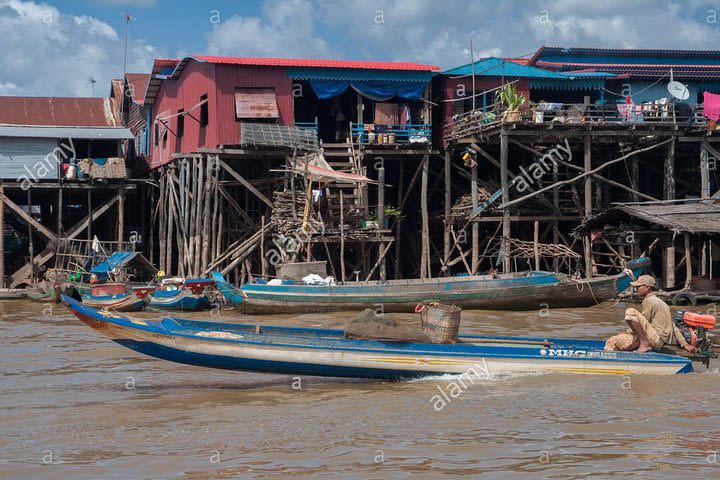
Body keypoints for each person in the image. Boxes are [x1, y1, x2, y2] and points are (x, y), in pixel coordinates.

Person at [605, 274, 697, 353]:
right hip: (658, 340)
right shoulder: (660, 302)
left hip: (654, 339)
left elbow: (643, 321)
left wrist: (626, 332)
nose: (636, 289)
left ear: (647, 288)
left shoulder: (650, 301)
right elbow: (672, 325)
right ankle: (642, 343)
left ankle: (644, 344)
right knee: (616, 340)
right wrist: (685, 344)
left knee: (629, 313)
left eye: (638, 286)